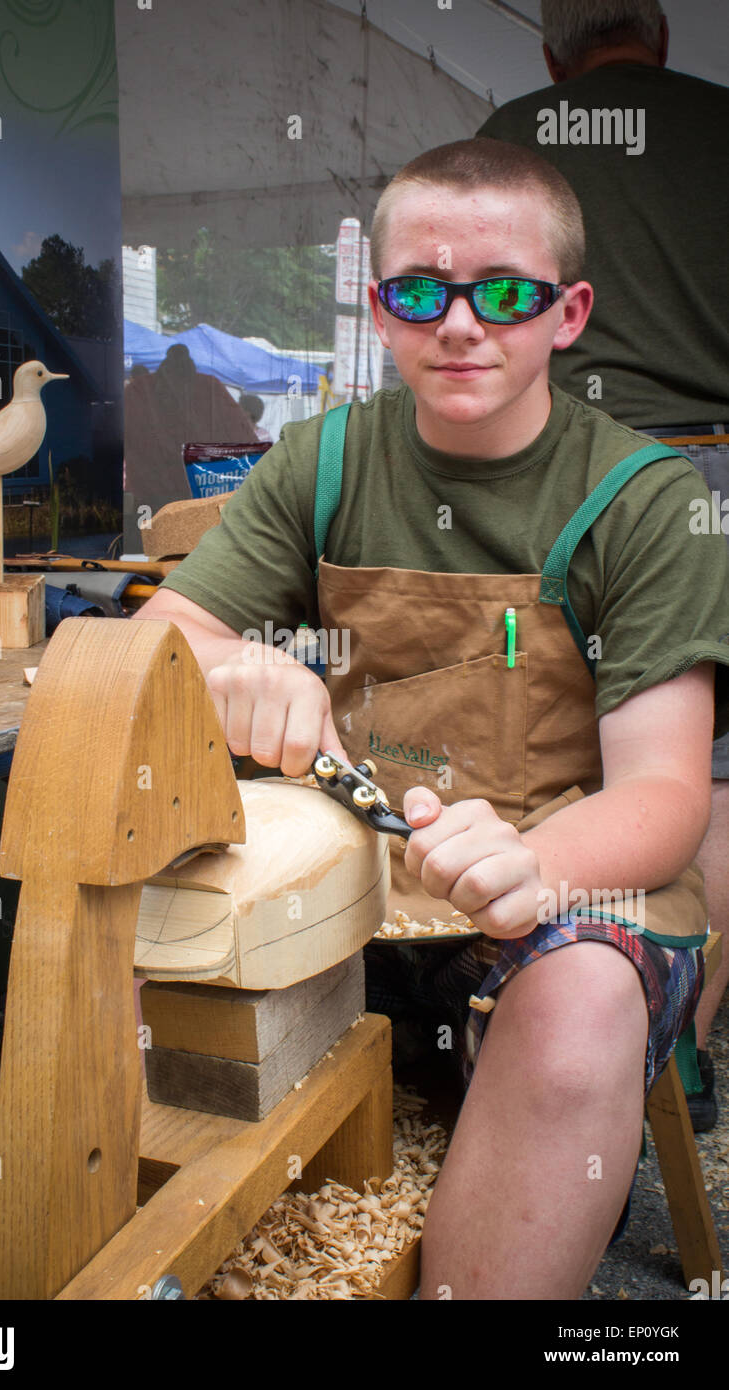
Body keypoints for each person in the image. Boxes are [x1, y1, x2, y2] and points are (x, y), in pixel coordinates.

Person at [135, 137, 729, 1299]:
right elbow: (154, 646)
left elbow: (662, 793)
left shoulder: (645, 499)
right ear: (380, 309)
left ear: (567, 313)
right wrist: (226, 670)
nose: (459, 324)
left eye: (503, 292)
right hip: (361, 872)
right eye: (421, 291)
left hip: (566, 882)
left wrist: (532, 860)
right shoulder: (320, 462)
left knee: (576, 1000)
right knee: (152, 923)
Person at [478, 0, 729, 1130]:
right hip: (712, 475)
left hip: (554, 470)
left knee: (541, 735)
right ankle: (683, 1042)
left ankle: (550, 1002)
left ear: (550, 53)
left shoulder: (513, 130)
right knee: (704, 771)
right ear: (661, 37)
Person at [124, 344, 258, 513]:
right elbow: (247, 443)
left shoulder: (138, 390)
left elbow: (247, 447)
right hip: (175, 500)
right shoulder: (210, 388)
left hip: (172, 501)